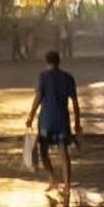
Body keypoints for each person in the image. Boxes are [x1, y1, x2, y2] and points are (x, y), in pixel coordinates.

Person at [25, 49, 82, 194]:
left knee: (44, 151)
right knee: (64, 153)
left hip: (47, 119)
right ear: (58, 61)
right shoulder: (68, 78)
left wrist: (30, 116)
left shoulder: (43, 77)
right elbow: (75, 102)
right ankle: (67, 185)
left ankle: (52, 179)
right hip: (62, 119)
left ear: (47, 61)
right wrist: (77, 122)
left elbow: (38, 98)